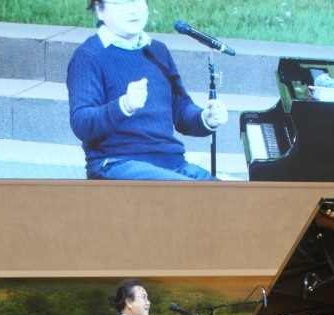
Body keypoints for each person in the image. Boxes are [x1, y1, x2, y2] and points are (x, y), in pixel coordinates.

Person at [67, 0, 229, 181]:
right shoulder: (88, 56)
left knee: (231, 195)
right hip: (117, 163)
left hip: (172, 163)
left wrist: (205, 118)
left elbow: (181, 108)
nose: (133, 9)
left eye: (138, 1)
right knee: (192, 193)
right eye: (122, 3)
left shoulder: (158, 50)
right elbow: (81, 123)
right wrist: (123, 106)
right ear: (99, 9)